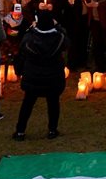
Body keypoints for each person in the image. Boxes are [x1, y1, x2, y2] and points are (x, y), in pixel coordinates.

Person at [13, 10, 68, 141]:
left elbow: (21, 50)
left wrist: (31, 28)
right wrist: (58, 26)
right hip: (53, 79)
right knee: (53, 103)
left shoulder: (29, 38)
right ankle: (52, 130)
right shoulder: (59, 38)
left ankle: (20, 131)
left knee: (27, 104)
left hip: (33, 78)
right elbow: (66, 39)